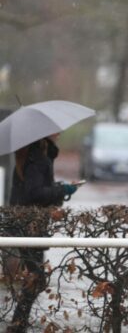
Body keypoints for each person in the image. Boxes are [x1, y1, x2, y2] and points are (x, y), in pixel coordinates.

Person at [5, 133, 77, 332]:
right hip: (30, 227)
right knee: (37, 278)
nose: (59, 134)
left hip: (25, 225)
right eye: (56, 132)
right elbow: (34, 193)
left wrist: (60, 188)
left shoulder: (32, 155)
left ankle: (19, 323)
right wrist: (63, 191)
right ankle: (17, 324)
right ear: (45, 135)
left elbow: (34, 190)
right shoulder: (37, 159)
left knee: (35, 277)